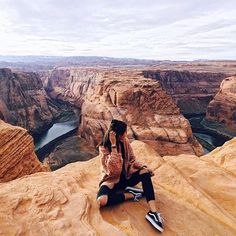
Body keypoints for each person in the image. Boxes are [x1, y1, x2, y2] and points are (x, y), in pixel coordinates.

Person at [96, 119, 164, 232]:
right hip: (112, 181)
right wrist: (113, 146)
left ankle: (153, 212)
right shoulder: (104, 148)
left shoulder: (125, 142)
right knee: (102, 201)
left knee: (145, 173)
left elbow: (132, 160)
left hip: (127, 177)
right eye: (124, 132)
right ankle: (131, 195)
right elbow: (114, 171)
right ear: (118, 135)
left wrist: (143, 167)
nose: (126, 134)